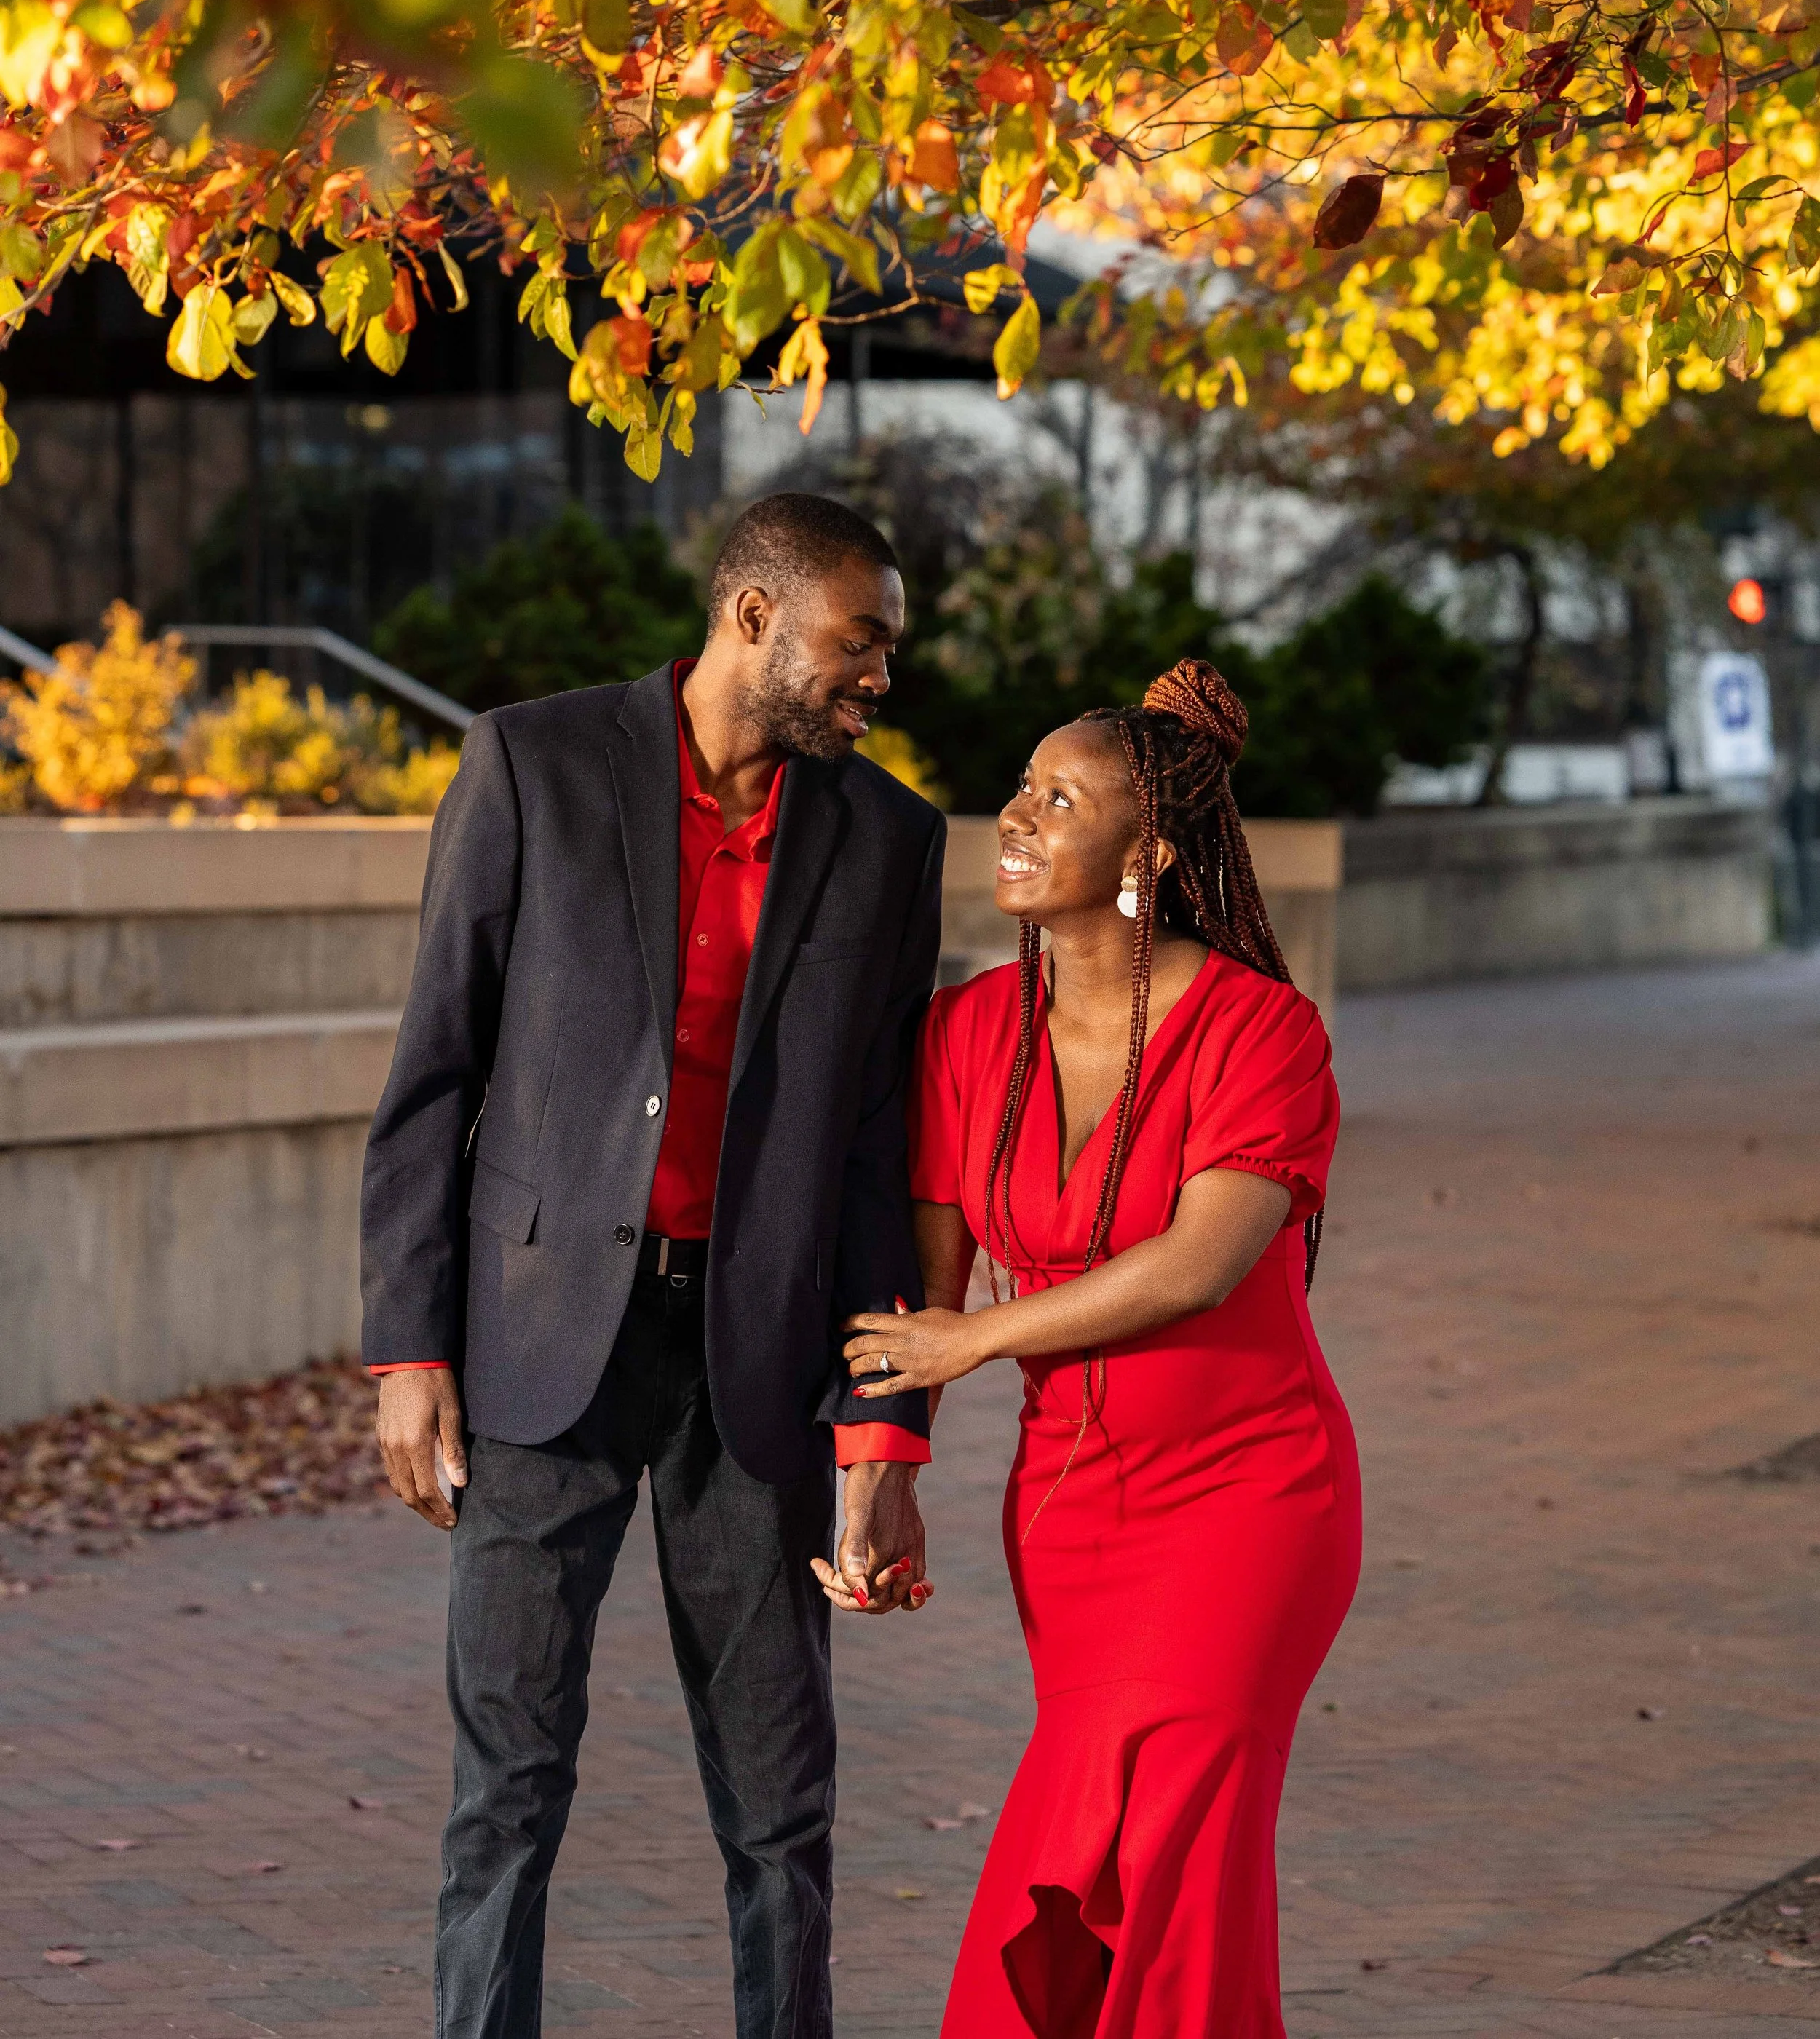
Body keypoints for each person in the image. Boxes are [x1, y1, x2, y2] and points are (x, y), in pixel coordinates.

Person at [360, 492, 944, 2039]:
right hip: (540, 1346)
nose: (877, 676)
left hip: (750, 1371)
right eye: (856, 640)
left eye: (886, 646)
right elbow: (436, 1077)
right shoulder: (532, 767)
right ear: (752, 618)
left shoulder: (888, 841)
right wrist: (408, 1350)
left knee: (780, 1804)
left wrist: (881, 1427)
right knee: (510, 1780)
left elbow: (880, 1156)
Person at [831, 658, 1361, 2039]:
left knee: (1181, 1846)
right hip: (1073, 1517)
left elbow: (1198, 1263)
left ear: (1151, 850)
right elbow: (917, 1290)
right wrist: (879, 1469)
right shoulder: (963, 1035)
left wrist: (974, 1342)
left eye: (1059, 796)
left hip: (1251, 1497)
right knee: (1111, 1853)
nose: (1016, 813)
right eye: (1020, 784)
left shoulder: (1262, 1029)